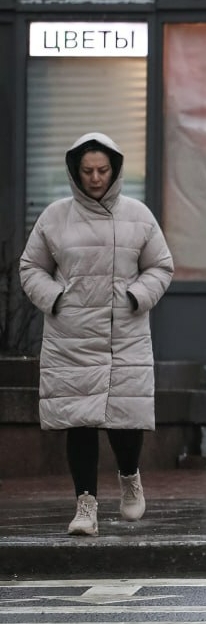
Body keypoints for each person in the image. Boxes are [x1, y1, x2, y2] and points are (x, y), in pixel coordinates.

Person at [19, 132, 174, 536]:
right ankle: (85, 505)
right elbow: (30, 267)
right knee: (79, 421)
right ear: (75, 171)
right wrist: (55, 298)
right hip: (72, 336)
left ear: (115, 169)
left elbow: (161, 266)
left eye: (102, 170)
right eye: (87, 170)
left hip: (125, 332)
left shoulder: (139, 215)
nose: (95, 177)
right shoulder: (55, 216)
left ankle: (129, 478)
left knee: (126, 420)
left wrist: (136, 296)